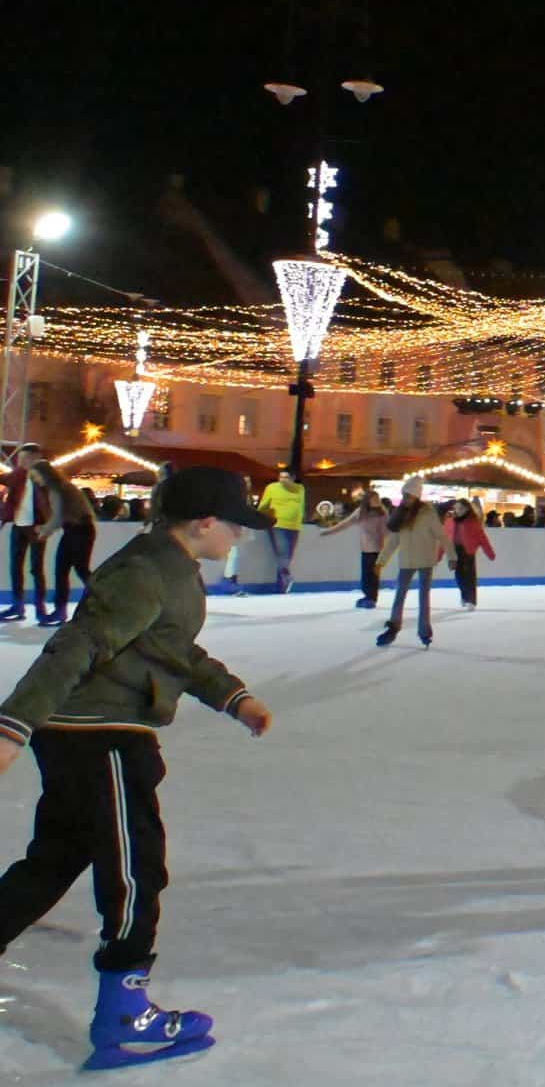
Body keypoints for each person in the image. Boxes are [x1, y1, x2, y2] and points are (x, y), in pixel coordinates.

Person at [0, 466, 274, 1071]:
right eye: (235, 527)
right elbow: (77, 644)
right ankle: (125, 1011)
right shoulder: (148, 572)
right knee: (134, 865)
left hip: (90, 732)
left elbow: (173, 650)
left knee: (57, 858)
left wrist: (233, 697)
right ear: (204, 523)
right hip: (103, 737)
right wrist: (13, 725)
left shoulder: (167, 570)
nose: (237, 539)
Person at [376, 480, 448, 648]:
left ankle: (424, 632)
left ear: (416, 496)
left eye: (408, 495)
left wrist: (452, 556)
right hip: (407, 562)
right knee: (399, 594)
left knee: (424, 597)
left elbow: (442, 536)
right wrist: (381, 561)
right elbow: (394, 540)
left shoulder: (428, 514)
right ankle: (393, 627)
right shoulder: (401, 514)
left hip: (425, 561)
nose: (405, 498)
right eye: (404, 495)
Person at [33, 459, 96, 627]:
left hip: (79, 531)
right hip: (77, 530)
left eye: (36, 476)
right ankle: (60, 611)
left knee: (79, 569)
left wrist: (44, 531)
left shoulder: (57, 489)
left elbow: (58, 517)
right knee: (63, 570)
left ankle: (102, 601)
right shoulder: (62, 487)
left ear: (45, 474)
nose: (35, 479)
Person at [1, 443, 51, 623]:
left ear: (35, 457)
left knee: (36, 569)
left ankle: (40, 608)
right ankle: (18, 606)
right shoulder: (18, 475)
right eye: (20, 459)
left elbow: (53, 501)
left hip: (37, 527)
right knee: (16, 567)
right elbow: (5, 480)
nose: (20, 462)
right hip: (19, 526)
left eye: (24, 458)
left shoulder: (46, 477)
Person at [325, 488, 391, 608]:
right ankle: (369, 597)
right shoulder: (361, 512)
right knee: (366, 575)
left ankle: (371, 598)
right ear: (368, 500)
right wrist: (329, 531)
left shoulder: (382, 513)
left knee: (373, 575)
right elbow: (345, 523)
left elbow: (387, 531)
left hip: (376, 549)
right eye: (374, 499)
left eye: (378, 498)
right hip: (365, 549)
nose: (377, 501)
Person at [256, 467, 307, 595]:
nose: (282, 480)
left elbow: (301, 506)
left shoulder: (300, 489)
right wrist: (257, 518)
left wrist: (301, 520)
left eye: (285, 477)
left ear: (293, 478)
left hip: (294, 526)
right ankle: (286, 577)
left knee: (288, 555)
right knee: (282, 552)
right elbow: (264, 505)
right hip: (277, 524)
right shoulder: (272, 488)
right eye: (280, 477)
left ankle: (281, 585)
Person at [445, 498, 494, 609]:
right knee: (459, 576)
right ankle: (464, 596)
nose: (457, 510)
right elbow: (444, 539)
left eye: (460, 508)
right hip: (454, 551)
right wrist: (437, 555)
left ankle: (471, 600)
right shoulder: (449, 521)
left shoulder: (473, 522)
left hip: (468, 551)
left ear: (467, 509)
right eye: (456, 508)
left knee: (469, 576)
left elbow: (482, 538)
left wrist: (489, 553)